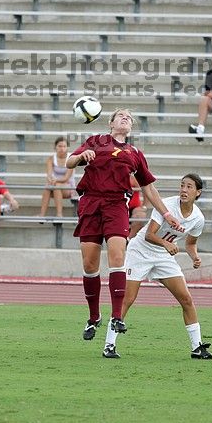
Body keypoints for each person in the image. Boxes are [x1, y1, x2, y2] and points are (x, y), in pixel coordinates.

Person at [65, 108, 183, 343]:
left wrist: (166, 213)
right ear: (111, 123)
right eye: (121, 115)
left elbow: (148, 187)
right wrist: (81, 156)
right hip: (91, 203)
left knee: (117, 256)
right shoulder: (94, 141)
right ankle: (93, 317)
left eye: (129, 117)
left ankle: (117, 316)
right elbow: (69, 162)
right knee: (89, 264)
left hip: (117, 205)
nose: (126, 118)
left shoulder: (135, 152)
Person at [102, 173, 212, 360]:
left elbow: (190, 244)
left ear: (198, 192)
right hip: (141, 252)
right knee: (127, 299)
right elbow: (149, 235)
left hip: (163, 257)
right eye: (182, 185)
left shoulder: (198, 218)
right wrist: (167, 244)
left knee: (186, 299)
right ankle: (109, 345)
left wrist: (195, 257)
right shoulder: (166, 205)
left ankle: (197, 347)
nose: (184, 190)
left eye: (189, 187)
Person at [38, 136, 76, 218]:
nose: (62, 148)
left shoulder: (71, 159)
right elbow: (49, 175)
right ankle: (42, 214)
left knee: (56, 186)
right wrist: (51, 180)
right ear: (55, 147)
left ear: (67, 147)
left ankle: (59, 214)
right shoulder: (51, 159)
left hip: (68, 187)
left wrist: (55, 181)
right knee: (48, 187)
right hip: (55, 185)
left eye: (64, 146)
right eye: (59, 146)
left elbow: (66, 178)